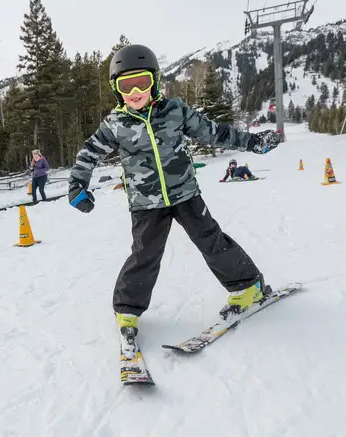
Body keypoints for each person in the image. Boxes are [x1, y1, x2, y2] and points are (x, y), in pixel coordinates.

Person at [67, 44, 281, 347]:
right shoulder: (115, 124)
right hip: (145, 203)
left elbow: (214, 132)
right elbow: (89, 153)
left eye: (142, 82)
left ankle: (249, 287)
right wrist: (78, 184)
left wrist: (252, 142)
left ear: (154, 81)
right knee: (145, 254)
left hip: (185, 194)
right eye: (126, 85)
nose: (135, 91)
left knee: (211, 240)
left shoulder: (175, 110)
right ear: (117, 90)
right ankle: (127, 310)